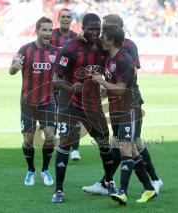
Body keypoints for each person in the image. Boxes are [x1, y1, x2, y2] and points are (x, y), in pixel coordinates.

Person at [82, 14, 163, 195]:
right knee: (130, 145)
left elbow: (128, 77)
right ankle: (149, 185)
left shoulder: (126, 50)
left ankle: (118, 187)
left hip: (129, 104)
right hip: (116, 104)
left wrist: (105, 84)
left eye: (105, 29)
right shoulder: (109, 53)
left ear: (115, 31)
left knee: (128, 145)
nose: (101, 33)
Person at [51, 13, 115, 203]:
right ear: (83, 28)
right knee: (64, 144)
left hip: (93, 106)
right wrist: (71, 88)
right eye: (91, 29)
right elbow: (56, 80)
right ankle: (59, 191)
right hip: (69, 105)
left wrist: (104, 85)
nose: (95, 32)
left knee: (104, 143)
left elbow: (110, 66)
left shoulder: (103, 47)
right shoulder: (70, 48)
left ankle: (109, 181)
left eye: (98, 29)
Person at [9, 17, 59, 186]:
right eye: (44, 30)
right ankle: (31, 169)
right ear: (36, 30)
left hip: (48, 101)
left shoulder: (56, 52)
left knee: (51, 136)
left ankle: (45, 169)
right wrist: (14, 68)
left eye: (50, 30)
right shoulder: (25, 49)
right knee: (28, 140)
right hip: (28, 102)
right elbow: (12, 69)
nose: (48, 33)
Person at [51, 8, 82, 161]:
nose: (65, 19)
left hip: (70, 82)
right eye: (63, 16)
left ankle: (75, 149)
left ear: (71, 20)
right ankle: (62, 143)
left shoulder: (76, 38)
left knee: (74, 114)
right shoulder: (51, 35)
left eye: (68, 17)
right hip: (55, 81)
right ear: (58, 18)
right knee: (58, 114)